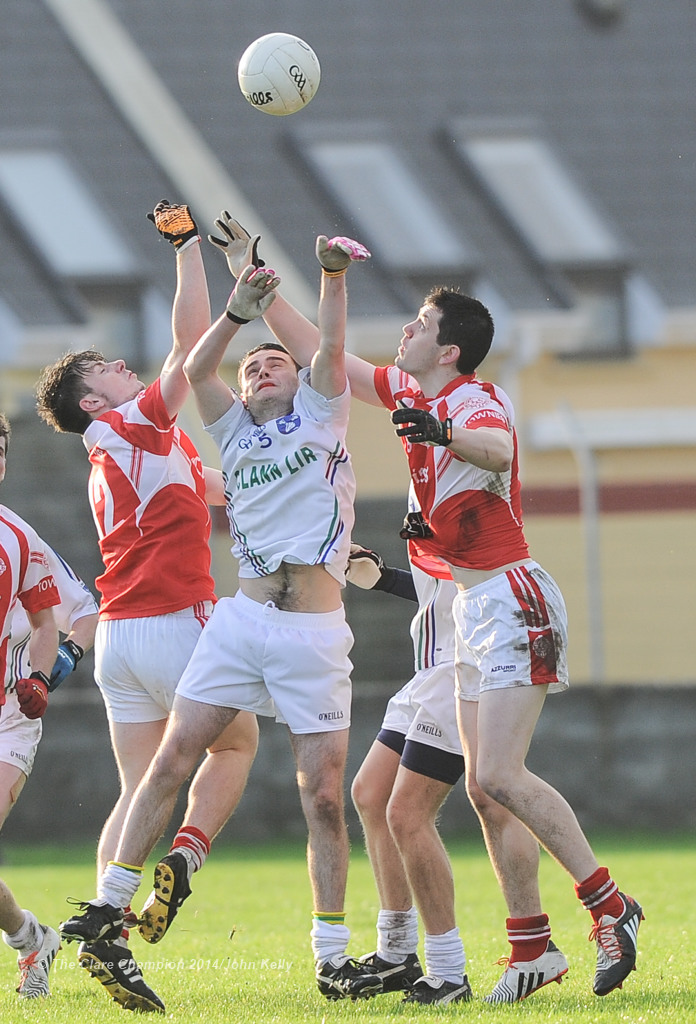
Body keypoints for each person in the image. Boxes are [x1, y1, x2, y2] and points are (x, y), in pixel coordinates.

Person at [225, 219, 643, 1003]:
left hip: (510, 598)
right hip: (469, 610)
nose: (407, 332)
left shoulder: (475, 400)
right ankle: (538, 946)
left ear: (448, 349)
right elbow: (327, 354)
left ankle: (610, 908)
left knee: (496, 778)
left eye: (419, 325)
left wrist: (444, 432)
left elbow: (496, 451)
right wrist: (265, 281)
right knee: (485, 788)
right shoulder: (413, 389)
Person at [44, 229, 381, 1003]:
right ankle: (154, 878)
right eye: (250, 363)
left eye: (274, 361)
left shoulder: (297, 422)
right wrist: (210, 272)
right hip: (205, 618)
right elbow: (192, 356)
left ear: (299, 383)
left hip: (165, 634)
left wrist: (327, 275)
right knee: (208, 755)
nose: (261, 365)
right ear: (95, 399)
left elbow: (325, 350)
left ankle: (124, 916)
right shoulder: (163, 428)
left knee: (300, 793)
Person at [34, 203, 259, 1014]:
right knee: (235, 746)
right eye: (108, 371)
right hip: (174, 622)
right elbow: (190, 348)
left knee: (138, 797)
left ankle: (109, 934)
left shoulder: (118, 452)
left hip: (119, 641)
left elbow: (209, 485)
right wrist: (188, 252)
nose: (126, 369)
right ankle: (188, 858)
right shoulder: (133, 422)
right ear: (96, 404)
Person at [347, 540, 473, 1005]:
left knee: (407, 813)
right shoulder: (421, 481)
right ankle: (397, 953)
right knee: (370, 793)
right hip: (425, 672)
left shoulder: (459, 472)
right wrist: (383, 578)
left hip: (457, 669)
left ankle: (448, 971)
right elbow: (436, 589)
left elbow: (479, 575)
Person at [0, 414, 99, 833]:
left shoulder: (20, 539)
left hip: (9, 716)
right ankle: (16, 906)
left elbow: (82, 615)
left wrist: (54, 664)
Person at [0, 413, 62, 999]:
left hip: (6, 718)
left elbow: (47, 623)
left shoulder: (18, 538)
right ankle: (30, 939)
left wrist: (39, 677)